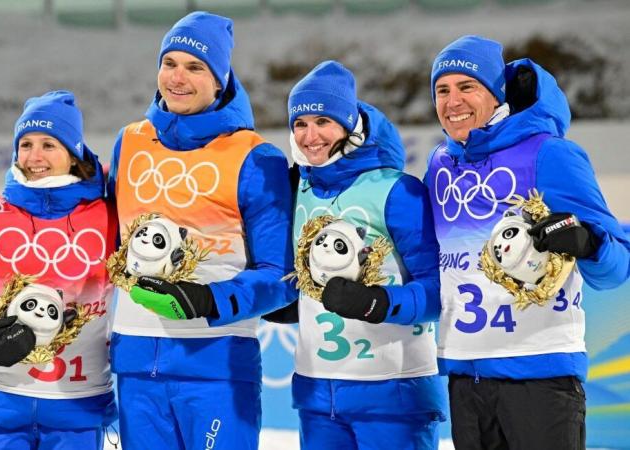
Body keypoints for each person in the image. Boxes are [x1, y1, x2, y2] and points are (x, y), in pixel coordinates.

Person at [426, 35, 630, 450]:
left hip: (540, 376)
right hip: (467, 380)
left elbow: (618, 265)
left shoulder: (550, 154)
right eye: (442, 90)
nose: (453, 102)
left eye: (467, 87)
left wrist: (588, 243)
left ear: (497, 93)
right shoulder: (439, 165)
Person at [106, 11, 293, 450]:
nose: (178, 77)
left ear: (219, 80)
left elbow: (281, 277)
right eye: (169, 63)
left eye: (195, 67)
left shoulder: (255, 157)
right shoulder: (129, 141)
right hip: (136, 365)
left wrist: (210, 300)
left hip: (216, 365)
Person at [0, 90, 118, 450]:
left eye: (49, 144)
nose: (34, 156)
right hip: (2, 403)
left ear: (74, 153)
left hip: (78, 406)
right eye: (26, 143)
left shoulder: (109, 217)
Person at [279, 60, 446, 449]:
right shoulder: (297, 189)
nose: (309, 135)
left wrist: (377, 303)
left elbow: (439, 291)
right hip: (319, 395)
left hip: (394, 394)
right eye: (300, 124)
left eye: (323, 121)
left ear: (348, 125)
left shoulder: (397, 191)